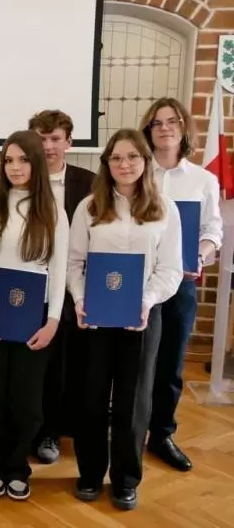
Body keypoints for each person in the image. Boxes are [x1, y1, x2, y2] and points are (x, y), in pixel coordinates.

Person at [68, 128, 182, 511]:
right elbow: (74, 263)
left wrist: (145, 302)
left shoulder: (165, 209)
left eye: (133, 156)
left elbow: (170, 269)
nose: (124, 164)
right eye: (116, 157)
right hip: (95, 320)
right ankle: (89, 473)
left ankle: (125, 480)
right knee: (92, 397)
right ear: (107, 164)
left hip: (142, 318)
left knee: (134, 402)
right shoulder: (89, 207)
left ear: (145, 162)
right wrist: (80, 299)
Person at [0, 130, 69, 500]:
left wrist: (52, 320)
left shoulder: (53, 211)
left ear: (36, 163)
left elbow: (59, 270)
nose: (15, 167)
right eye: (8, 160)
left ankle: (17, 467)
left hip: (34, 316)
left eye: (23, 159)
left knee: (26, 401)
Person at [139, 98, 223, 472]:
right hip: (138, 282)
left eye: (171, 121)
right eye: (157, 123)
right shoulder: (136, 173)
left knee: (171, 362)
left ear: (184, 127)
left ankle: (161, 434)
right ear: (148, 131)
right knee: (135, 362)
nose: (164, 128)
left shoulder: (202, 180)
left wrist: (200, 256)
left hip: (181, 284)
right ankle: (128, 430)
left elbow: (212, 231)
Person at [27, 109, 96, 464]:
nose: (48, 146)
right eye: (41, 139)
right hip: (28, 284)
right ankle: (27, 427)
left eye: (55, 139)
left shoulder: (89, 183)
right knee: (30, 363)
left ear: (69, 142)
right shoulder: (21, 177)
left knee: (63, 365)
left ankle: (52, 431)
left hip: (72, 287)